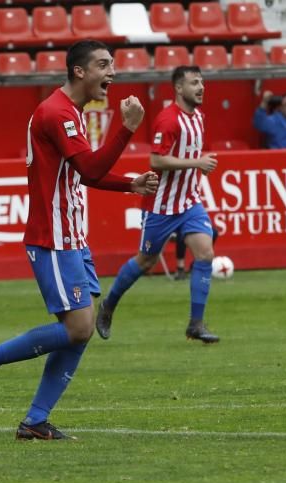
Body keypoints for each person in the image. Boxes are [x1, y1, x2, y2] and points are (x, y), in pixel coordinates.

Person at [0, 39, 158, 440]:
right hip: (53, 239)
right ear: (80, 71)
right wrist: (127, 130)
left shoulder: (72, 112)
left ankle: (34, 421)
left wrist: (128, 184)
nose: (111, 73)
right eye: (103, 65)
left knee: (78, 329)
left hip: (72, 237)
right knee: (80, 327)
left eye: (112, 64)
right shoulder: (56, 113)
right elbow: (90, 165)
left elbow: (85, 175)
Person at [96, 66, 221, 344]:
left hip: (189, 202)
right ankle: (109, 304)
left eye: (202, 82)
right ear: (178, 88)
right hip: (161, 206)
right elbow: (156, 160)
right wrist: (197, 162)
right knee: (146, 261)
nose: (201, 87)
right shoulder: (168, 120)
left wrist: (196, 164)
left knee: (205, 254)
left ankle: (196, 324)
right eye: (193, 83)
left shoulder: (198, 116)